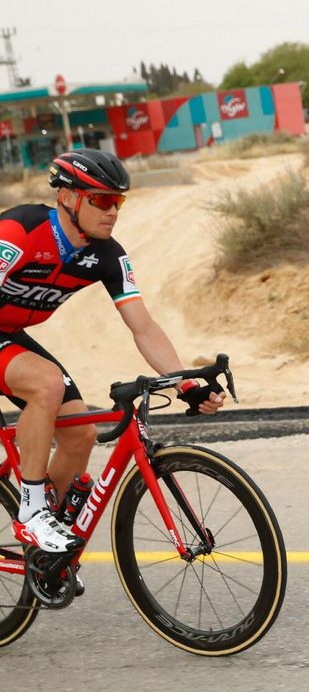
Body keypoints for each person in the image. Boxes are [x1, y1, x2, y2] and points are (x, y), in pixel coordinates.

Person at [1, 148, 224, 571]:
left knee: (80, 436)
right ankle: (31, 513)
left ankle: (47, 557)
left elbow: (143, 326)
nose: (112, 212)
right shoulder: (19, 231)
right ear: (68, 197)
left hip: (8, 333)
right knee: (45, 384)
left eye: (118, 202)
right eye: (101, 200)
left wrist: (185, 382)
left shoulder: (106, 254)